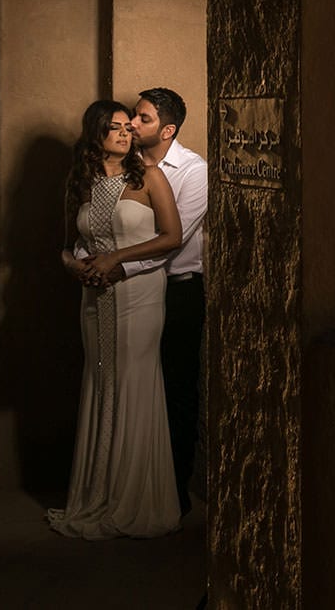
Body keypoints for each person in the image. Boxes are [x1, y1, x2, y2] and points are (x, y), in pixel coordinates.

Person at [51, 100, 183, 538]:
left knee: (132, 380)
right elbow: (68, 245)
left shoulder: (150, 176)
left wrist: (116, 259)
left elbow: (172, 237)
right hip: (94, 294)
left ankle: (136, 499)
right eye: (115, 128)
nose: (126, 134)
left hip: (140, 294)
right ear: (96, 134)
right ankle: (98, 493)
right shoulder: (81, 181)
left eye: (130, 127)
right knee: (101, 379)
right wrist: (75, 266)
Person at [118, 87, 208, 516]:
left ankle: (172, 494)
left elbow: (173, 241)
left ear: (168, 129)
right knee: (133, 384)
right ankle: (134, 486)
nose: (132, 124)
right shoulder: (124, 167)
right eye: (134, 116)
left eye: (144, 118)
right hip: (132, 292)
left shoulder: (194, 172)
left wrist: (117, 268)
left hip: (179, 291)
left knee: (175, 388)